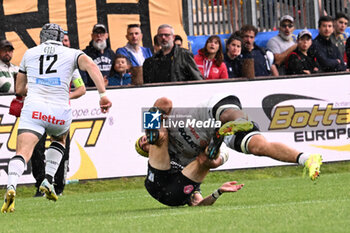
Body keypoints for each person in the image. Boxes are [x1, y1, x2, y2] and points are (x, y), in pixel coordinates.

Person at [1, 23, 112, 213]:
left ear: (42, 38)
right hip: (59, 110)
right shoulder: (72, 53)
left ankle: (11, 186)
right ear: (61, 38)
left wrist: (36, 87)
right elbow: (92, 67)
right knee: (60, 139)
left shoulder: (30, 53)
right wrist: (103, 95)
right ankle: (48, 179)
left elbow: (19, 89)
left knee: (23, 153)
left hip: (34, 108)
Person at [135, 95, 322, 206]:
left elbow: (164, 101)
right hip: (189, 167)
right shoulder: (174, 157)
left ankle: (237, 122)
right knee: (256, 147)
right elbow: (199, 200)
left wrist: (154, 126)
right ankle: (308, 159)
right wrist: (218, 192)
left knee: (161, 137)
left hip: (210, 113)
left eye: (142, 139)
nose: (144, 143)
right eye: (143, 146)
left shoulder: (171, 123)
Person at [30, 31, 86, 197]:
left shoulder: (70, 63)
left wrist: (64, 96)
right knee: (37, 149)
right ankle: (41, 185)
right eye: (62, 40)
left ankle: (58, 186)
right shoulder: (37, 61)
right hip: (39, 111)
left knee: (62, 148)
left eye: (66, 40)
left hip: (60, 112)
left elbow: (81, 88)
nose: (64, 43)